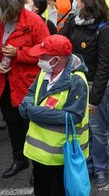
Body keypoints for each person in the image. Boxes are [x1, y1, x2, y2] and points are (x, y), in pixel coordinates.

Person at [0, 0, 50, 179]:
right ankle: (19, 159)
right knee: (12, 123)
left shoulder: (33, 22)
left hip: (27, 83)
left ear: (11, 8)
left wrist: (19, 53)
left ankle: (38, 167)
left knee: (31, 125)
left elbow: (45, 51)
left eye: (0, 6)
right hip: (4, 82)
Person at [59, 0, 109, 187]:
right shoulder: (75, 21)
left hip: (94, 86)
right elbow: (60, 39)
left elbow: (104, 68)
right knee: (80, 128)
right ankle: (88, 163)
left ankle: (100, 167)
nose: (76, 2)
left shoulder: (105, 30)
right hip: (75, 83)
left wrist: (95, 99)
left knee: (98, 129)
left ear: (87, 2)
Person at [20, 35, 90, 196]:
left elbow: (74, 116)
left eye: (44, 56)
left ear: (56, 59)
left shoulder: (77, 81)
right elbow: (31, 94)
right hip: (39, 155)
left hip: (60, 157)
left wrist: (34, 112)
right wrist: (28, 106)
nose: (40, 59)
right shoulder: (45, 72)